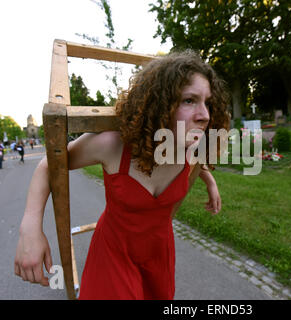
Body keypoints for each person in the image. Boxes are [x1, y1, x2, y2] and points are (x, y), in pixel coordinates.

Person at [14, 50, 230, 299]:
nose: (204, 115)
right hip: (114, 254)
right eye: (189, 100)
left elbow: (196, 164)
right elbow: (49, 164)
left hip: (159, 257)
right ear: (160, 103)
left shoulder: (192, 146)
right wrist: (30, 228)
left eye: (207, 103)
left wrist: (210, 181)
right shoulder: (114, 144)